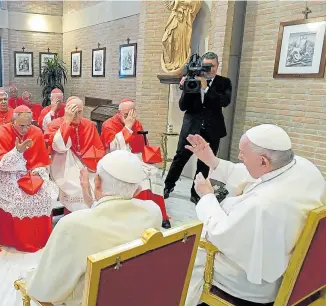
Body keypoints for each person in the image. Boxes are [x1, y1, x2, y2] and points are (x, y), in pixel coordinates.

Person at [182, 124, 326, 306]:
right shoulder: (302, 167)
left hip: (251, 285)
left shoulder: (264, 204)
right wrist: (213, 161)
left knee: (189, 256)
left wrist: (207, 197)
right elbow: (253, 174)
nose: (239, 157)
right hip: (296, 264)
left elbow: (222, 233)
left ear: (264, 161)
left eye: (242, 153)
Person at [24, 150, 163, 306]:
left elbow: (45, 290)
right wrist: (91, 201)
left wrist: (29, 278)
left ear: (97, 182)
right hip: (136, 297)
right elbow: (112, 219)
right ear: (138, 190)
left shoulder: (72, 225)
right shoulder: (153, 211)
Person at [164, 52, 232, 204]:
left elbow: (224, 102)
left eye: (212, 66)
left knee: (205, 163)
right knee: (180, 158)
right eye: (206, 66)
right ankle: (168, 186)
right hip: (191, 128)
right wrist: (185, 87)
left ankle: (195, 193)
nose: (209, 69)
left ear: (217, 66)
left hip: (212, 129)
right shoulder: (191, 80)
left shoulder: (224, 82)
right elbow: (183, 107)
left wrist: (206, 88)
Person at [0, 106, 59, 252]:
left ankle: (40, 238)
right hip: (7, 173)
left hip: (32, 173)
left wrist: (36, 171)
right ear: (13, 121)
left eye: (28, 125)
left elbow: (41, 160)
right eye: (21, 125)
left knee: (45, 194)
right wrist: (18, 151)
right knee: (18, 197)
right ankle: (16, 240)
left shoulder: (36, 132)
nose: (25, 129)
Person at [101, 98, 171, 229]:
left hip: (136, 158)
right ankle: (140, 214)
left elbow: (142, 145)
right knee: (142, 179)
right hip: (117, 160)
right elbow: (113, 148)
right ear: (119, 112)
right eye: (126, 114)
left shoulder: (137, 123)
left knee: (154, 175)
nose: (129, 118)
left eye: (132, 114)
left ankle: (160, 214)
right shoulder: (108, 124)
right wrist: (127, 127)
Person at [45, 98, 105, 213]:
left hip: (88, 166)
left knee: (96, 185)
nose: (77, 115)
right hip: (65, 166)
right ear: (67, 111)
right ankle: (73, 219)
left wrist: (93, 164)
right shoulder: (55, 124)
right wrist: (67, 122)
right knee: (77, 188)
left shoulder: (89, 125)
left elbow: (99, 148)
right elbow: (59, 147)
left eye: (80, 112)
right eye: (73, 112)